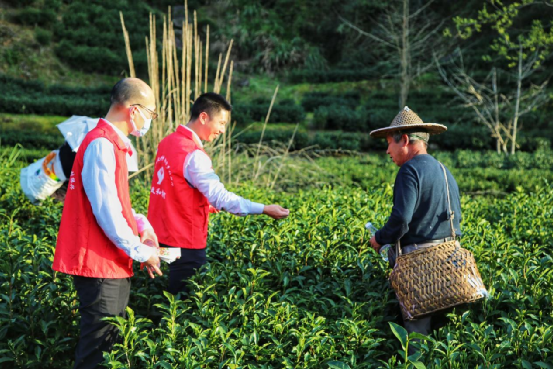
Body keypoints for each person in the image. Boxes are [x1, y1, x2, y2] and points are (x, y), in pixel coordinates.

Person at [52, 78, 163, 369]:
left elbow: (115, 202)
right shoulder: (102, 144)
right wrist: (141, 251)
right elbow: (106, 211)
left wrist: (142, 224)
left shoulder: (111, 143)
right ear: (133, 110)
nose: (149, 121)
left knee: (105, 346)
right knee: (97, 353)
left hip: (108, 264)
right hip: (101, 266)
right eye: (150, 114)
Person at [147, 92, 290, 297]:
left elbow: (175, 189)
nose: (223, 130)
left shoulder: (167, 143)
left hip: (162, 240)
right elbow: (221, 197)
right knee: (186, 310)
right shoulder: (194, 155)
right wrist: (265, 209)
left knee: (161, 302)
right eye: (221, 123)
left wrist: (205, 205)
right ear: (204, 117)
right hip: (186, 247)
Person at [368, 106, 462, 351]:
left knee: (416, 338)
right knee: (445, 338)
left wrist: (379, 238)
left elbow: (401, 220)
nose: (388, 150)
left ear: (406, 140)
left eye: (390, 143)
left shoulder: (409, 170)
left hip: (420, 266)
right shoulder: (444, 170)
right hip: (450, 260)